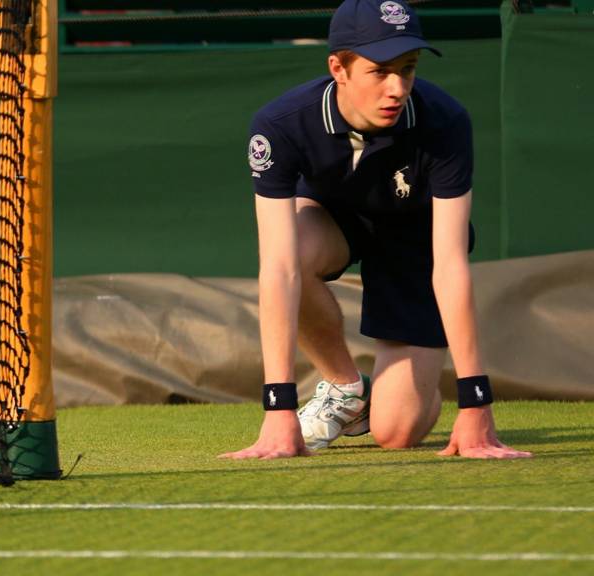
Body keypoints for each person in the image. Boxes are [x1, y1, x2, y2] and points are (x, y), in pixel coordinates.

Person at [220, 0, 531, 460]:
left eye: (407, 69)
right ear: (338, 68)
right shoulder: (279, 126)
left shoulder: (445, 122)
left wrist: (476, 401)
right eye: (380, 71)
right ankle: (346, 389)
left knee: (396, 432)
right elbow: (280, 266)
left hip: (414, 239)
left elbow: (449, 264)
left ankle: (409, 385)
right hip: (335, 220)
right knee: (295, 252)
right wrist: (278, 408)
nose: (397, 88)